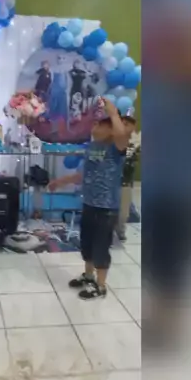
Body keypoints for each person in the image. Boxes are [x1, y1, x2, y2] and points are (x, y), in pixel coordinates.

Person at [48, 98, 128, 299]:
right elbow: (84, 174)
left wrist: (113, 114)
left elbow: (121, 135)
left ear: (110, 129)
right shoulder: (92, 147)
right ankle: (89, 275)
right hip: (89, 203)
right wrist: (61, 181)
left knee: (101, 247)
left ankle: (100, 286)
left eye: (99, 124)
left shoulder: (116, 148)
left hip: (106, 208)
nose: (94, 126)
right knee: (87, 243)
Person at [116, 109, 138, 241]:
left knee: (124, 210)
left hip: (125, 180)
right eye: (123, 124)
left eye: (128, 124)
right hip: (111, 180)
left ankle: (121, 229)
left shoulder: (134, 142)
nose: (125, 127)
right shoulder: (113, 139)